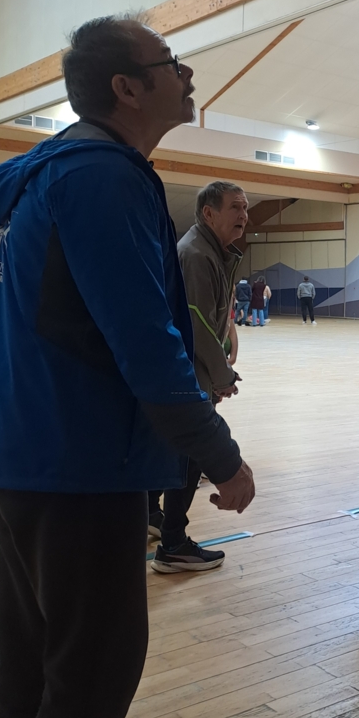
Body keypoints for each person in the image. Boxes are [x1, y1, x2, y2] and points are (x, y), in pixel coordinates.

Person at [0, 15, 254, 718]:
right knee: (95, 660)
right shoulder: (102, 178)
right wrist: (218, 453)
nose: (186, 73)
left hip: (19, 447)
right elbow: (145, 340)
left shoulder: (45, 178)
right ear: (127, 88)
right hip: (77, 456)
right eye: (170, 63)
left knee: (36, 645)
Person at [150, 180, 249, 573]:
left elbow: (212, 321)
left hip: (190, 371)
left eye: (246, 208)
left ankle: (152, 516)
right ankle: (173, 543)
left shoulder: (210, 251)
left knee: (172, 448)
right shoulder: (195, 254)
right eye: (235, 207)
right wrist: (221, 375)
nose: (244, 215)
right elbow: (196, 325)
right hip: (186, 374)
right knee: (191, 454)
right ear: (209, 213)